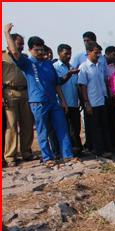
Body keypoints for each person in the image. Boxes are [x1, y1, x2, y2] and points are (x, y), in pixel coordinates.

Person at [4, 23, 75, 167]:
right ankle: (47, 157)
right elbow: (14, 52)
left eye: (42, 48)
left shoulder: (48, 64)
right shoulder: (27, 63)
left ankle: (68, 155)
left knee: (62, 128)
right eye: (37, 49)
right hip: (38, 102)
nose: (40, 51)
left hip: (53, 102)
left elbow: (56, 83)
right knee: (42, 132)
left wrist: (63, 101)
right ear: (31, 50)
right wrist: (6, 32)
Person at [2, 31, 35, 166]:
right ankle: (10, 156)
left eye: (22, 44)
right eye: (18, 44)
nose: (21, 47)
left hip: (25, 93)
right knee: (12, 126)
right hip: (9, 93)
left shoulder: (24, 58)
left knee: (27, 124)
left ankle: (26, 152)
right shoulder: (2, 57)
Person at [78, 41, 112, 158]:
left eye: (99, 53)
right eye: (96, 53)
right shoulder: (84, 67)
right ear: (89, 52)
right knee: (95, 128)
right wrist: (86, 103)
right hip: (92, 102)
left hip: (102, 100)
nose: (98, 55)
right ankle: (98, 151)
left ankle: (106, 149)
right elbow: (83, 86)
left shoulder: (99, 67)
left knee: (105, 126)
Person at [53, 44, 82, 156]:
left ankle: (76, 149)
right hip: (62, 103)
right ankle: (64, 151)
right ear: (59, 53)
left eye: (70, 53)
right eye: (66, 54)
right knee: (64, 128)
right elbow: (58, 83)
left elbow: (76, 85)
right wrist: (69, 74)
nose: (69, 56)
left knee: (75, 128)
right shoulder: (55, 67)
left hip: (74, 103)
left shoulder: (71, 67)